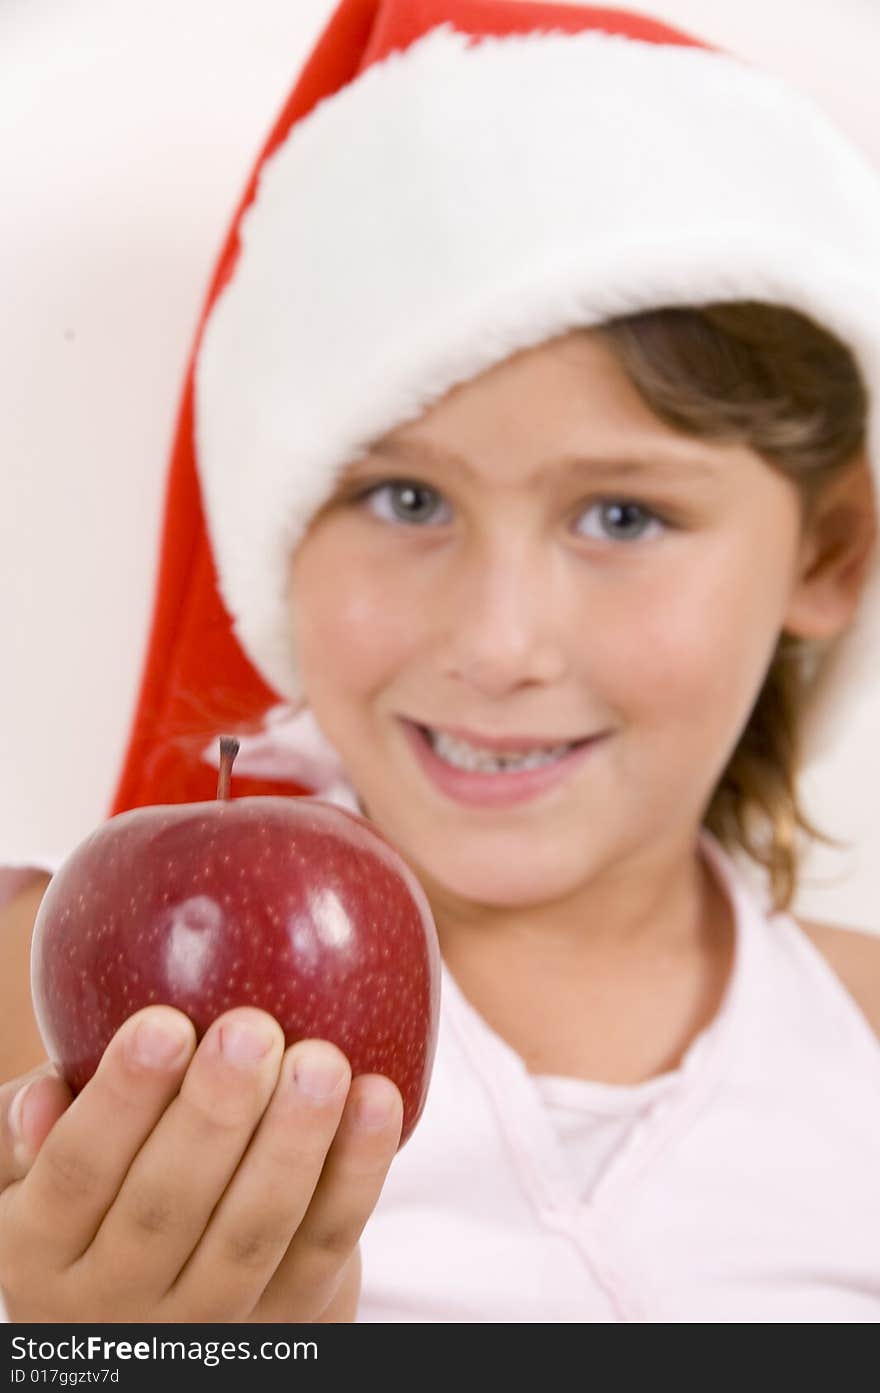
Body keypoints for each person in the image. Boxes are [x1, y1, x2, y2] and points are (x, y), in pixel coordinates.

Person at [1, 0, 880, 1323]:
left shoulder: (862, 1030)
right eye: (406, 500)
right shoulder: (63, 1034)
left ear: (830, 553)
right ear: (272, 531)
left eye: (623, 515)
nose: (497, 643)